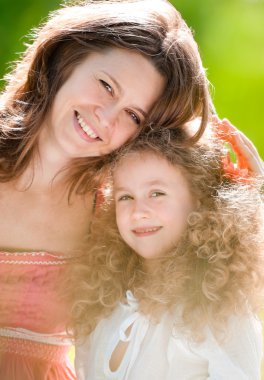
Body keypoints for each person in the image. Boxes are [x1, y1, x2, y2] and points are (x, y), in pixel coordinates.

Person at [0, 0, 217, 378]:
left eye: (134, 115)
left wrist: (249, 196)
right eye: (106, 86)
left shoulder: (120, 211)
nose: (106, 116)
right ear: (66, 58)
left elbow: (214, 290)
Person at [72, 128, 264, 379]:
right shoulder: (103, 301)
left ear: (199, 199)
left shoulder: (218, 310)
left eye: (157, 193)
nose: (138, 211)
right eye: (125, 196)